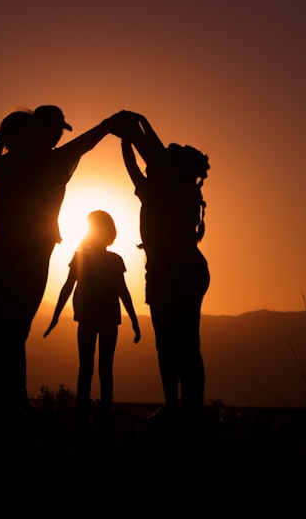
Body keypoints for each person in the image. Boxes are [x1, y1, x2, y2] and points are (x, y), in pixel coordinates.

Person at [0, 105, 130, 416]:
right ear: (34, 133)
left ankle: (3, 400)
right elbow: (81, 146)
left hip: (0, 253)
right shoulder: (41, 164)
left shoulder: (6, 165)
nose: (55, 137)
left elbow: (75, 150)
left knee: (9, 329)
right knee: (15, 329)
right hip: (26, 260)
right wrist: (107, 125)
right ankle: (11, 403)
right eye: (52, 131)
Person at [121, 113, 211, 421]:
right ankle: (183, 408)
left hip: (175, 272)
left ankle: (184, 409)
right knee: (179, 343)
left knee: (176, 344)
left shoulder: (167, 190)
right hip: (174, 271)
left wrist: (130, 132)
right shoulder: (176, 189)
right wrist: (137, 126)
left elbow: (144, 158)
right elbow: (144, 158)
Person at [43, 210, 141, 427]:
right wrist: (134, 322)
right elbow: (122, 292)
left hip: (91, 318)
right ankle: (100, 414)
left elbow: (69, 288)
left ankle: (86, 415)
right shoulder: (110, 260)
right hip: (103, 319)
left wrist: (56, 317)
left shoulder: (84, 257)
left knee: (87, 367)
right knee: (104, 368)